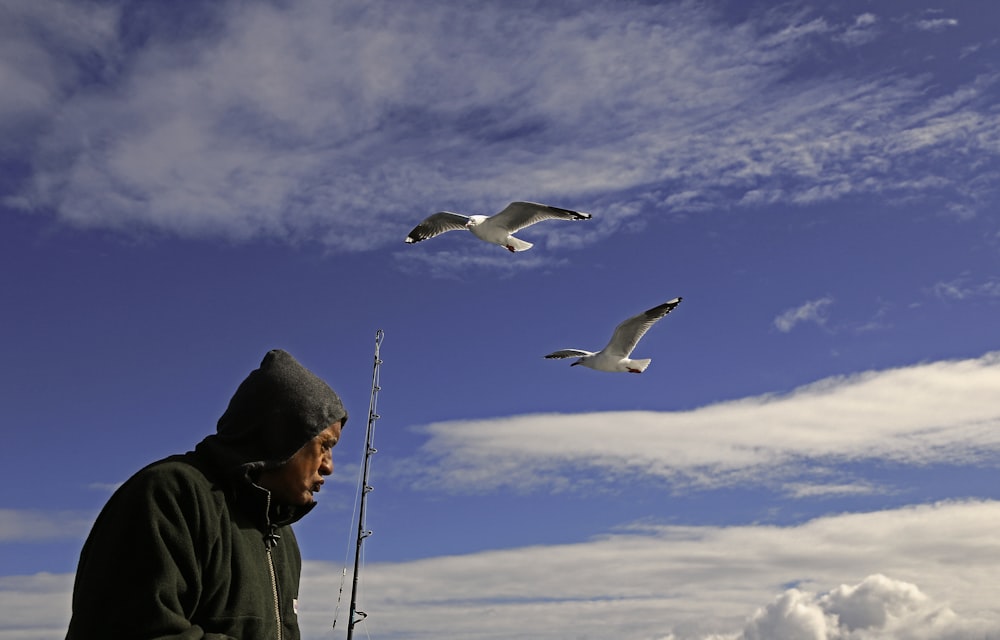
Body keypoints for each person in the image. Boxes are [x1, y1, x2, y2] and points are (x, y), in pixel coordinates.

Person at [66, 349, 348, 640]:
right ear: (281, 436)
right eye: (324, 445)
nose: (329, 467)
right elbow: (137, 630)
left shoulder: (283, 537)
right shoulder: (170, 495)